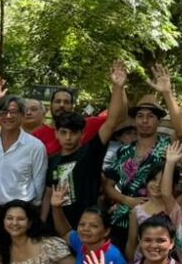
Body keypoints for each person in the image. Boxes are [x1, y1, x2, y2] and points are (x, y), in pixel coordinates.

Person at [103, 66, 182, 249]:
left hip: (155, 223)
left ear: (158, 121)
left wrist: (166, 93)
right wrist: (126, 200)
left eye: (150, 116)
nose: (145, 121)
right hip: (120, 220)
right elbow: (108, 186)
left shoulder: (166, 147)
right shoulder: (124, 151)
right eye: (140, 116)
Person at [42, 59, 128, 228]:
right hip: (55, 226)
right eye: (63, 133)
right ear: (56, 133)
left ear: (82, 134)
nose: (68, 138)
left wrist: (118, 87)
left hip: (86, 226)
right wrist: (42, 222)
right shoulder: (52, 161)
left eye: (73, 133)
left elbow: (111, 121)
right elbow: (48, 194)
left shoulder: (90, 152)